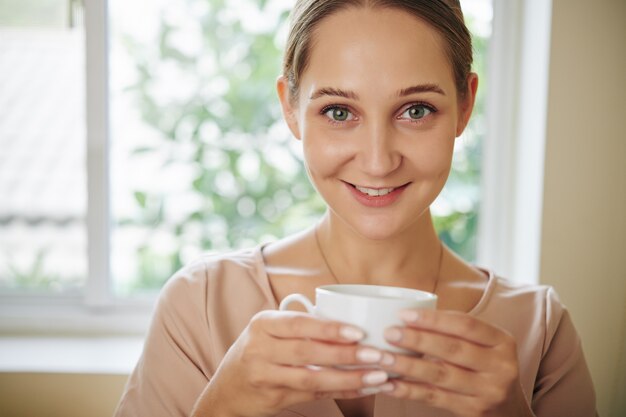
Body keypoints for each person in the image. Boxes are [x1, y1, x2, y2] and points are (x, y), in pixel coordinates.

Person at [114, 1, 597, 416]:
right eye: (339, 112)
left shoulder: (540, 330)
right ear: (291, 108)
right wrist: (224, 404)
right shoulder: (200, 304)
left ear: (466, 105)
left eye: (416, 110)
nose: (378, 160)